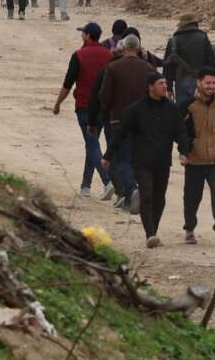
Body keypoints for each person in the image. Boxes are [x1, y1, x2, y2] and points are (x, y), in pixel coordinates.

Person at [103, 74, 192, 249]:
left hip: (163, 161)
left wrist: (183, 151)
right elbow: (120, 133)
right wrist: (108, 155)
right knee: (147, 195)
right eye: (161, 84)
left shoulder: (171, 109)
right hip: (142, 161)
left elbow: (180, 132)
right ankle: (150, 234)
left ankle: (153, 232)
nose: (165, 86)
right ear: (150, 87)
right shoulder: (136, 110)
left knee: (159, 198)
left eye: (166, 83)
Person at [53, 23, 114, 197]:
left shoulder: (79, 55)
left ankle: (107, 181)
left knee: (92, 143)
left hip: (85, 106)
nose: (81, 36)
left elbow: (68, 83)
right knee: (92, 144)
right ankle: (85, 186)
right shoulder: (109, 55)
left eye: (83, 33)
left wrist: (58, 104)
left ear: (88, 36)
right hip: (105, 107)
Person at [98, 35, 154, 211]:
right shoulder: (149, 68)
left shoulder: (113, 68)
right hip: (144, 120)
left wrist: (107, 112)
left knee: (123, 159)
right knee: (139, 157)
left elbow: (104, 96)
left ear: (123, 49)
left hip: (119, 119)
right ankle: (137, 194)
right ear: (138, 48)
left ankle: (132, 188)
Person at [183, 69, 215, 247]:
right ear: (199, 83)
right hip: (194, 160)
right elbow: (182, 132)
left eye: (213, 83)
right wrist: (183, 151)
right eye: (208, 83)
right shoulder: (189, 105)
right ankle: (189, 229)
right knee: (192, 198)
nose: (211, 87)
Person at [162, 13, 215, 108]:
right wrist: (212, 83)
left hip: (181, 81)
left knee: (183, 113)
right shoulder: (203, 38)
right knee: (201, 111)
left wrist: (169, 87)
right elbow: (211, 62)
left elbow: (168, 66)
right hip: (200, 81)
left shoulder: (174, 40)